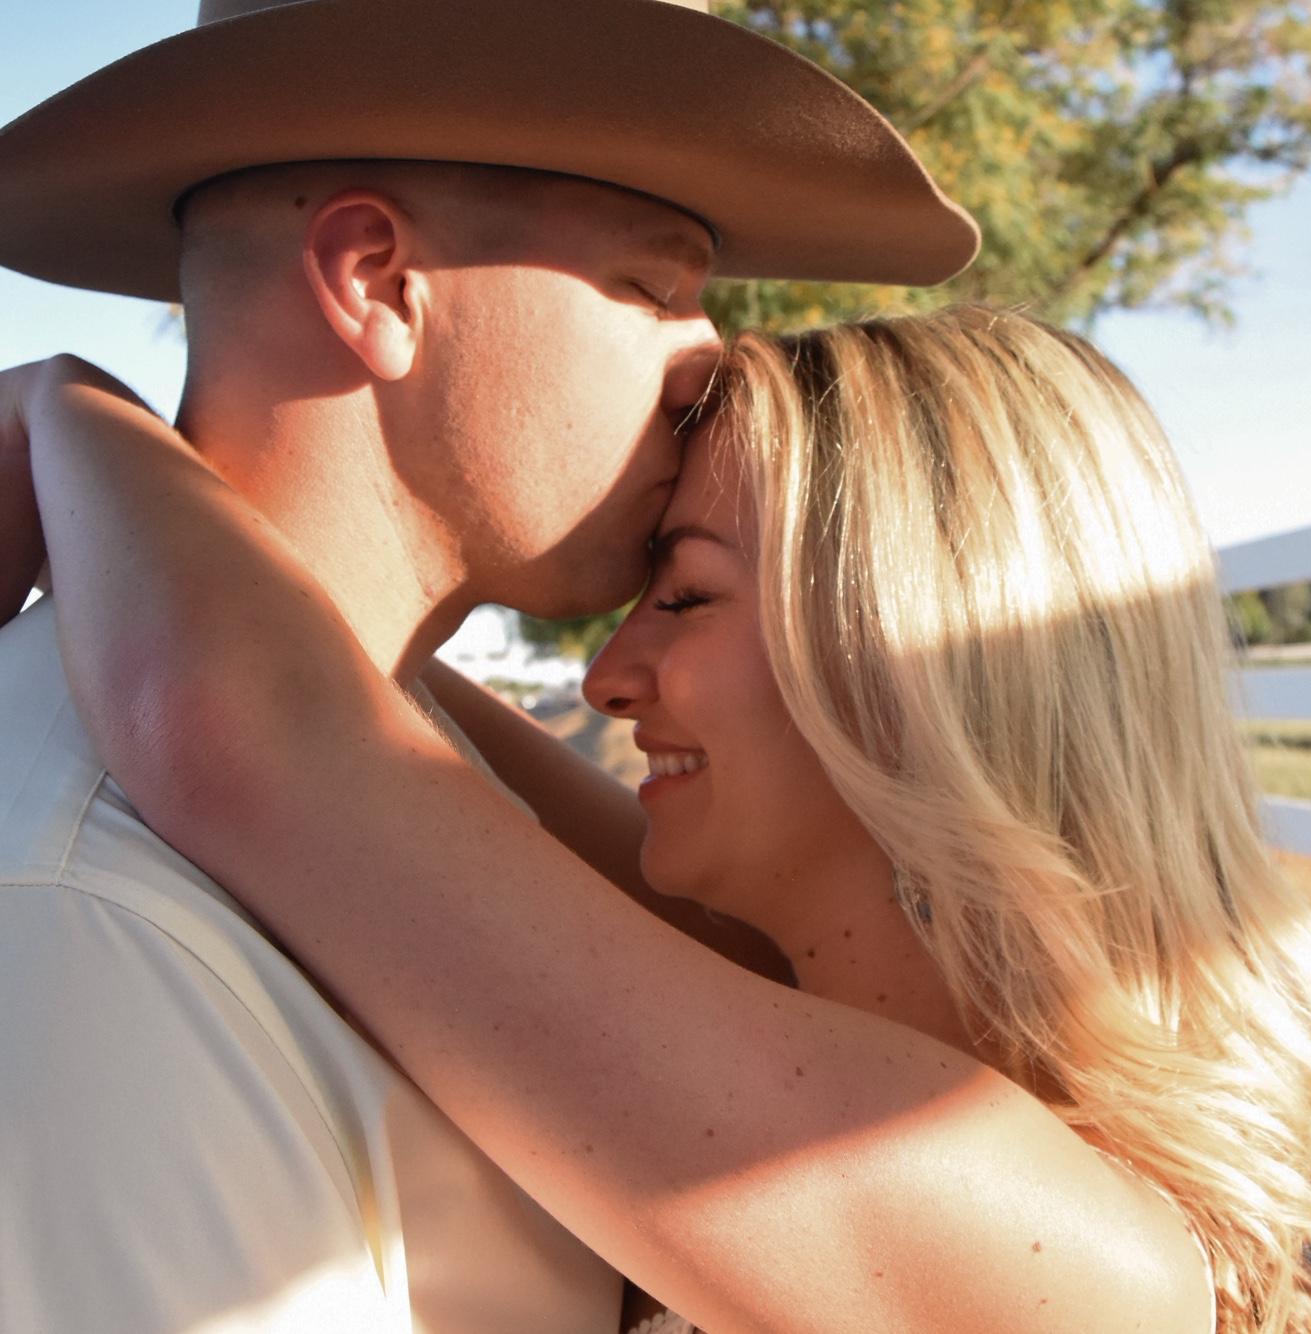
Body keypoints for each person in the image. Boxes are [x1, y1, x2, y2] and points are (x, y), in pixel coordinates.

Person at [11, 306, 1311, 1333]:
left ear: (909, 659)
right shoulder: (758, 994)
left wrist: (62, 405)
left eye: (687, 598)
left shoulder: (1037, 1232)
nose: (604, 677)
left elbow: (259, 736)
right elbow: (366, 701)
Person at [0, 0, 980, 1329]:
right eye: (652, 286)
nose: (709, 359)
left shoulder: (384, 787)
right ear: (377, 283)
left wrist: (78, 418)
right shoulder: (94, 918)